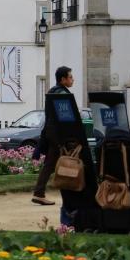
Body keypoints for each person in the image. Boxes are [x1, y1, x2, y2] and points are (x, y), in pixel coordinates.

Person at [32, 65, 75, 205]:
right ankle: (39, 193)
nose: (73, 79)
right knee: (53, 164)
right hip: (59, 134)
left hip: (51, 132)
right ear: (63, 79)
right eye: (70, 77)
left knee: (52, 164)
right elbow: (67, 115)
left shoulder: (52, 91)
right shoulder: (62, 93)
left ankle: (41, 192)